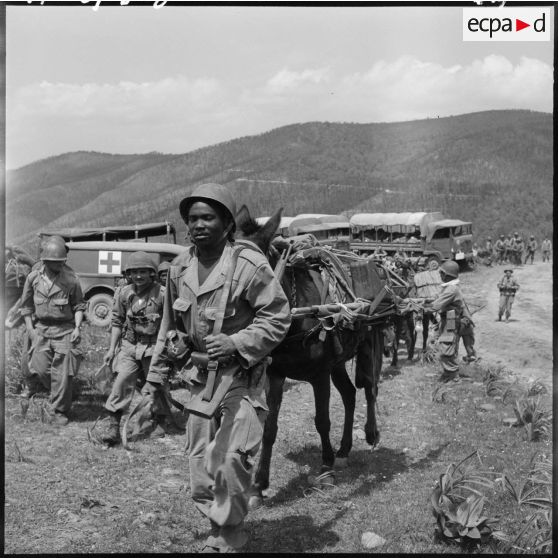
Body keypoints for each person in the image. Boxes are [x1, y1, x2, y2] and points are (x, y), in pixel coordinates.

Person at [144, 183, 291, 553]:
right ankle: (217, 524)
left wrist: (237, 343)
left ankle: (230, 533)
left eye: (208, 217)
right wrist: (157, 375)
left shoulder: (248, 263)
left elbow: (277, 317)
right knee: (200, 462)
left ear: (227, 225)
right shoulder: (179, 268)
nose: (198, 225)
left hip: (241, 377)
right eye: (192, 219)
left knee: (230, 457)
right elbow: (168, 326)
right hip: (199, 381)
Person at [100, 251, 172, 445]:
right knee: (122, 381)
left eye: (143, 271)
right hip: (130, 345)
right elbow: (117, 321)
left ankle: (160, 419)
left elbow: (170, 322)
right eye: (134, 272)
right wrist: (111, 349)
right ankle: (113, 425)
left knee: (158, 384)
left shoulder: (163, 294)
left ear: (151, 273)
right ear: (128, 274)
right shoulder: (124, 293)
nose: (139, 276)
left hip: (154, 347)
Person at [18, 236, 85, 425]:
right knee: (40, 369)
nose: (57, 266)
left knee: (62, 372)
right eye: (53, 263)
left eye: (60, 262)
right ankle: (60, 393)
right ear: (45, 261)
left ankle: (59, 411)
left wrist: (77, 328)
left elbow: (79, 306)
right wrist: (30, 329)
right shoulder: (33, 278)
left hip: (64, 329)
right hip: (41, 329)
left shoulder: (71, 280)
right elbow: (26, 306)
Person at [424, 260, 472, 382]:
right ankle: (448, 373)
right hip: (449, 319)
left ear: (447, 275)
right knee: (446, 345)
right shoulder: (449, 288)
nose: (440, 275)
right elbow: (438, 299)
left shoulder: (451, 289)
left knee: (446, 347)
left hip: (451, 320)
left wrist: (418, 307)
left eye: (441, 273)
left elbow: (435, 306)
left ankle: (452, 374)